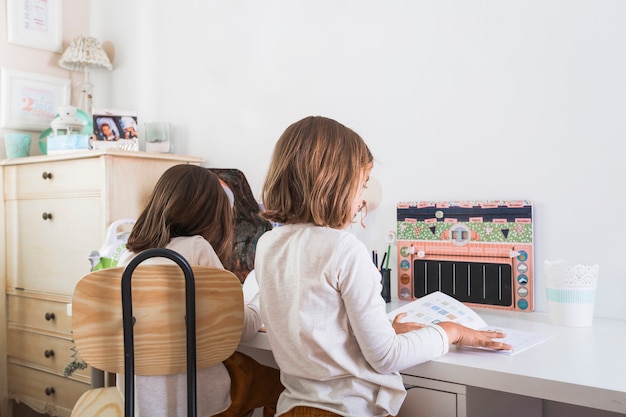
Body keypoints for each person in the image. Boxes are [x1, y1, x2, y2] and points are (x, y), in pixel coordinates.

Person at [255, 116, 512, 417]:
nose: (362, 197)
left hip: (293, 408)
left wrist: (381, 330)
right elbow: (387, 358)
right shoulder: (343, 249)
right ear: (335, 184)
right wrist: (450, 332)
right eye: (362, 185)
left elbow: (314, 327)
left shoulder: (268, 245)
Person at [116, 164, 283, 417]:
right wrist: (262, 296)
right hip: (195, 400)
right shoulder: (197, 250)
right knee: (279, 385)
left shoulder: (128, 259)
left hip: (138, 403)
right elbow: (241, 330)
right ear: (213, 217)